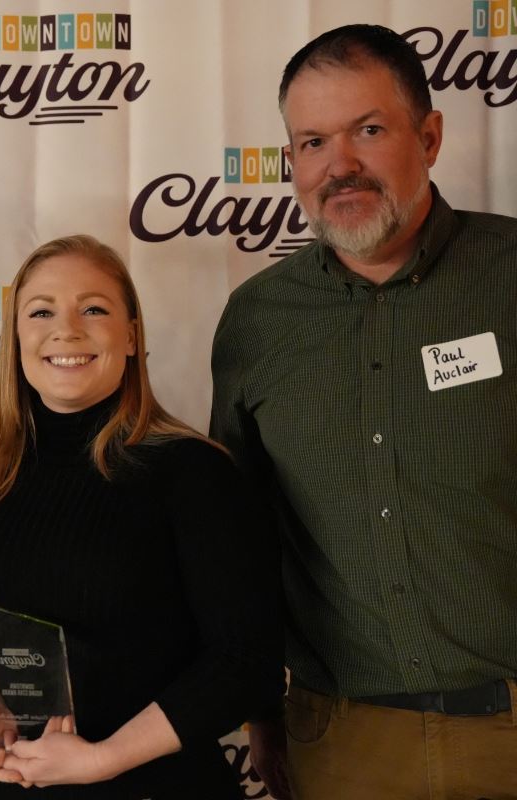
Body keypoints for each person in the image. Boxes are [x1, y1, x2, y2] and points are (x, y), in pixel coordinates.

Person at [210, 23, 517, 800]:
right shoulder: (256, 322)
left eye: (368, 131)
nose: (338, 165)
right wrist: (258, 709)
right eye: (311, 142)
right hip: (342, 744)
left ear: (431, 135)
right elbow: (240, 541)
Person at [0, 234, 286, 799]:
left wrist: (103, 760)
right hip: (12, 788)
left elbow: (247, 662)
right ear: (17, 336)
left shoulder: (194, 473)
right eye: (42, 310)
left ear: (130, 335)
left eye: (93, 309)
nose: (66, 329)